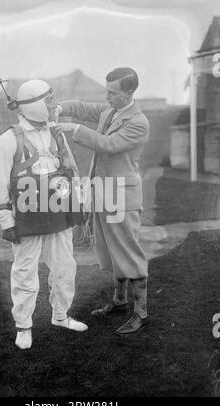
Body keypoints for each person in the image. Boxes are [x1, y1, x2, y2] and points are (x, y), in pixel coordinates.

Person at [0, 79, 88, 350]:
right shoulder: (6, 141)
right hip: (26, 217)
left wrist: (80, 203)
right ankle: (23, 326)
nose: (54, 106)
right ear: (34, 105)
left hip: (60, 212)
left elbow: (72, 170)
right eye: (49, 101)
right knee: (25, 271)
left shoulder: (57, 134)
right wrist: (6, 222)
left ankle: (61, 316)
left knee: (65, 267)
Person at [55, 67, 150, 335]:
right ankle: (120, 302)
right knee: (110, 251)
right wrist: (60, 108)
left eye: (113, 92)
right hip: (104, 191)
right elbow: (83, 107)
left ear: (129, 93)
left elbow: (108, 144)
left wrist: (75, 129)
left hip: (122, 196)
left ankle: (141, 313)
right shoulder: (111, 110)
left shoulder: (138, 122)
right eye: (106, 91)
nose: (106, 96)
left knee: (129, 254)